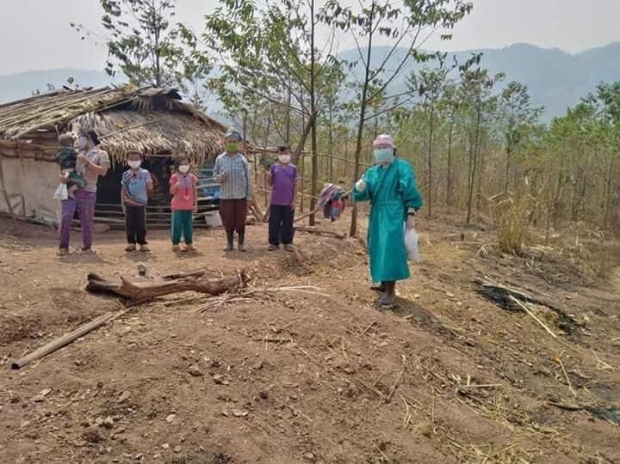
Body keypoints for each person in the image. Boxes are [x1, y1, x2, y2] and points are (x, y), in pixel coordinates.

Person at [353, 134, 423, 307]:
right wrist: (359, 187)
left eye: (385, 148)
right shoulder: (373, 171)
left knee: (390, 249)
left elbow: (410, 190)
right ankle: (384, 283)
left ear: (393, 150)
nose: (381, 151)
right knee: (377, 247)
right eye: (378, 148)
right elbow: (362, 194)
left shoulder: (401, 167)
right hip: (377, 213)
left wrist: (411, 213)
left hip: (394, 212)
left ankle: (391, 292)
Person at [57, 130, 109, 256]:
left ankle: (86, 246)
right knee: (66, 217)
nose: (79, 140)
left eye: (81, 137)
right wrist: (61, 176)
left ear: (88, 138)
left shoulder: (101, 154)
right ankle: (63, 247)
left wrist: (87, 162)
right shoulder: (75, 152)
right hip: (69, 187)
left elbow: (103, 171)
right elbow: (65, 168)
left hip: (88, 191)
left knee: (86, 221)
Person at [213, 128, 252, 252]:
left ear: (238, 143)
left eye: (234, 141)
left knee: (241, 220)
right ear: (225, 143)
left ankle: (241, 243)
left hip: (240, 196)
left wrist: (249, 196)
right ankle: (229, 243)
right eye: (229, 141)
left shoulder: (242, 160)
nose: (232, 143)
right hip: (226, 196)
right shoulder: (220, 159)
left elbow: (248, 179)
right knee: (227, 220)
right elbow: (214, 176)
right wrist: (220, 178)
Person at [121, 152, 153, 252]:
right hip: (129, 202)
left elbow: (149, 185)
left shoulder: (145, 173)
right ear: (127, 160)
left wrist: (150, 187)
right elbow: (123, 189)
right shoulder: (125, 174)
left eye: (136, 158)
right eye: (131, 158)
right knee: (129, 223)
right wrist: (122, 203)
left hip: (141, 202)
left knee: (141, 223)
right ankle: (131, 242)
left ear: (141, 160)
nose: (134, 161)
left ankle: (142, 242)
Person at [267, 144, 297, 251]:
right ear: (278, 154)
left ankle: (288, 243)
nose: (284, 155)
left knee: (288, 222)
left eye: (286, 153)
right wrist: (269, 177)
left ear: (290, 154)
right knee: (274, 222)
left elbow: (296, 184)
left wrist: (294, 200)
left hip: (288, 201)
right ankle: (273, 243)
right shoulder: (274, 167)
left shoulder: (293, 168)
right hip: (276, 200)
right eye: (282, 153)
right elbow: (270, 183)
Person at [169, 156, 198, 252]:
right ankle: (175, 243)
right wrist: (176, 185)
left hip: (188, 206)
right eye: (181, 164)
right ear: (177, 166)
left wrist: (195, 203)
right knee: (177, 224)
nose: (184, 166)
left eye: (186, 164)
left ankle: (189, 243)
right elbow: (171, 191)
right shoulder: (174, 177)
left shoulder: (191, 177)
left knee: (188, 225)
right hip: (177, 206)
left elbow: (194, 190)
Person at [55, 133, 86, 199]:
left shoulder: (58, 153)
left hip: (63, 173)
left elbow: (57, 161)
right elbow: (78, 155)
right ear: (71, 143)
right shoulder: (71, 150)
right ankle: (70, 191)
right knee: (83, 182)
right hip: (70, 174)